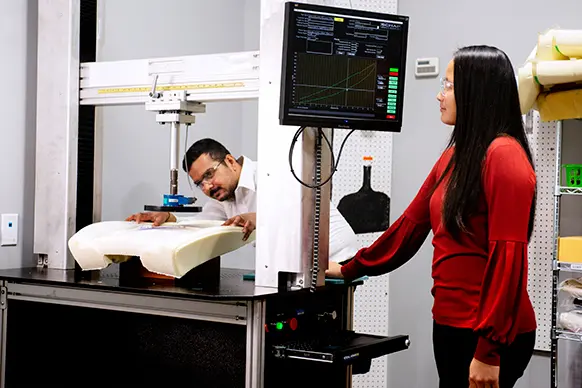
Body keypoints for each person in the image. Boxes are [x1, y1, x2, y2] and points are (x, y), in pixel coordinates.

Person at [326, 45, 537, 388]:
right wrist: (350, 268)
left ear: (476, 90)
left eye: (449, 85)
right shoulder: (455, 155)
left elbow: (509, 257)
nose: (440, 95)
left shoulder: (505, 155)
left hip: (488, 335)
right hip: (451, 325)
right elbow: (410, 226)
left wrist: (489, 352)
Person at [126, 138, 359, 263]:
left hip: (337, 260)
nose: (207, 186)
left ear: (230, 161)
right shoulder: (222, 195)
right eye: (199, 183)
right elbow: (203, 226)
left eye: (209, 174)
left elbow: (307, 211)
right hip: (295, 269)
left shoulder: (272, 172)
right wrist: (168, 219)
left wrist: (260, 217)